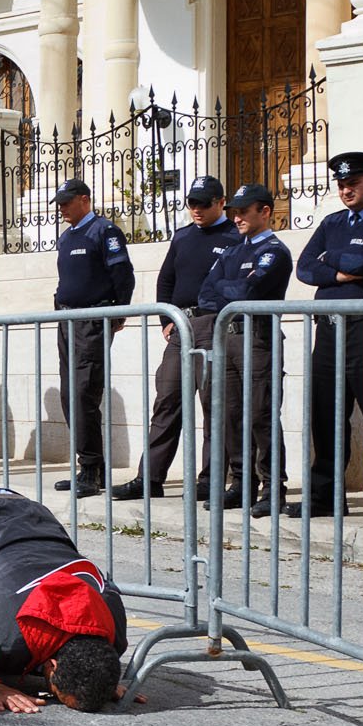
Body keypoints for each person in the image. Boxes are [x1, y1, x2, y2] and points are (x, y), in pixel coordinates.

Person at [0, 485, 127, 713]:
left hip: (26, 509)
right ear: (53, 666)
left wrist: (101, 682)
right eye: (53, 691)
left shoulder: (114, 624)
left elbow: (92, 656)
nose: (49, 693)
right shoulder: (5, 635)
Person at [117, 176, 235, 503]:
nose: (196, 209)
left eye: (204, 203)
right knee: (166, 402)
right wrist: (166, 320)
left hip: (216, 326)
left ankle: (209, 480)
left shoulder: (234, 235)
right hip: (181, 326)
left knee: (215, 407)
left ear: (220, 202)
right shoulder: (182, 237)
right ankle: (149, 478)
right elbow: (165, 280)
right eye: (192, 203)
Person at [295, 149, 363, 518]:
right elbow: (304, 267)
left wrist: (329, 259)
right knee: (326, 414)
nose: (346, 190)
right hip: (330, 328)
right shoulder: (333, 223)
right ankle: (325, 497)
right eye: (341, 184)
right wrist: (338, 269)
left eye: (353, 183)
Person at [201, 183, 294, 516]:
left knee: (261, 414)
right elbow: (206, 295)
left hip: (258, 337)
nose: (237, 217)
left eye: (244, 211)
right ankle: (241, 483)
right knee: (231, 413)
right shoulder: (231, 251)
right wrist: (234, 290)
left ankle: (272, 487)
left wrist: (232, 290)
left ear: (264, 211)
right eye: (234, 212)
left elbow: (250, 292)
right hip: (229, 336)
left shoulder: (273, 251)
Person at [50, 180, 135, 497]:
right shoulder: (67, 236)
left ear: (85, 200)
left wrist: (117, 314)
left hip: (91, 320)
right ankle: (87, 464)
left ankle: (91, 469)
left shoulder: (104, 231)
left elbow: (123, 274)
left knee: (84, 392)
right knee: (69, 394)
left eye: (67, 202)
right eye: (60, 203)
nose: (62, 208)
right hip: (66, 319)